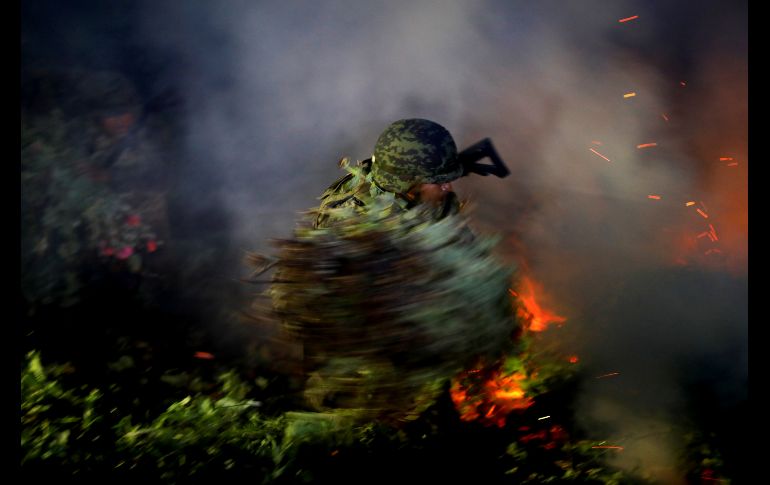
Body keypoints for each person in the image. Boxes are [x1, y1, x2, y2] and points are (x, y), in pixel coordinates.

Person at [313, 118, 466, 228]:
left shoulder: (404, 195)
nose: (448, 187)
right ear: (404, 182)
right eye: (438, 181)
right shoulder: (357, 224)